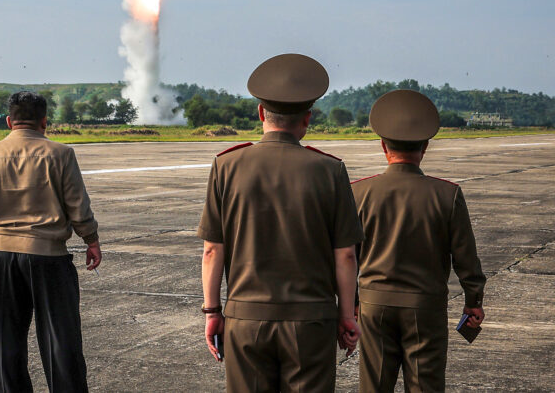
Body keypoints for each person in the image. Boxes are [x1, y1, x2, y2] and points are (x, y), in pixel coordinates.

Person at [197, 53, 364, 392]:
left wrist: (212, 310)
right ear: (308, 118)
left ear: (261, 113)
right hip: (311, 322)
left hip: (246, 320)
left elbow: (213, 250)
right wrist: (347, 314)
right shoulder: (330, 170)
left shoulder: (226, 166)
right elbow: (345, 254)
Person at [0, 91, 101, 392]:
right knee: (60, 341)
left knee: (3, 343)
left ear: (9, 121)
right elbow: (78, 206)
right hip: (49, 256)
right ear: (44, 122)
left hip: (0, 255)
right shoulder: (61, 153)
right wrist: (91, 239)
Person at [352, 89, 486, 392]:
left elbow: (349, 257)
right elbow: (466, 257)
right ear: (425, 147)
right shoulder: (447, 195)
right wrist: (473, 301)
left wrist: (351, 305)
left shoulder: (359, 193)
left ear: (383, 146)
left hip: (374, 307)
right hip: (426, 308)